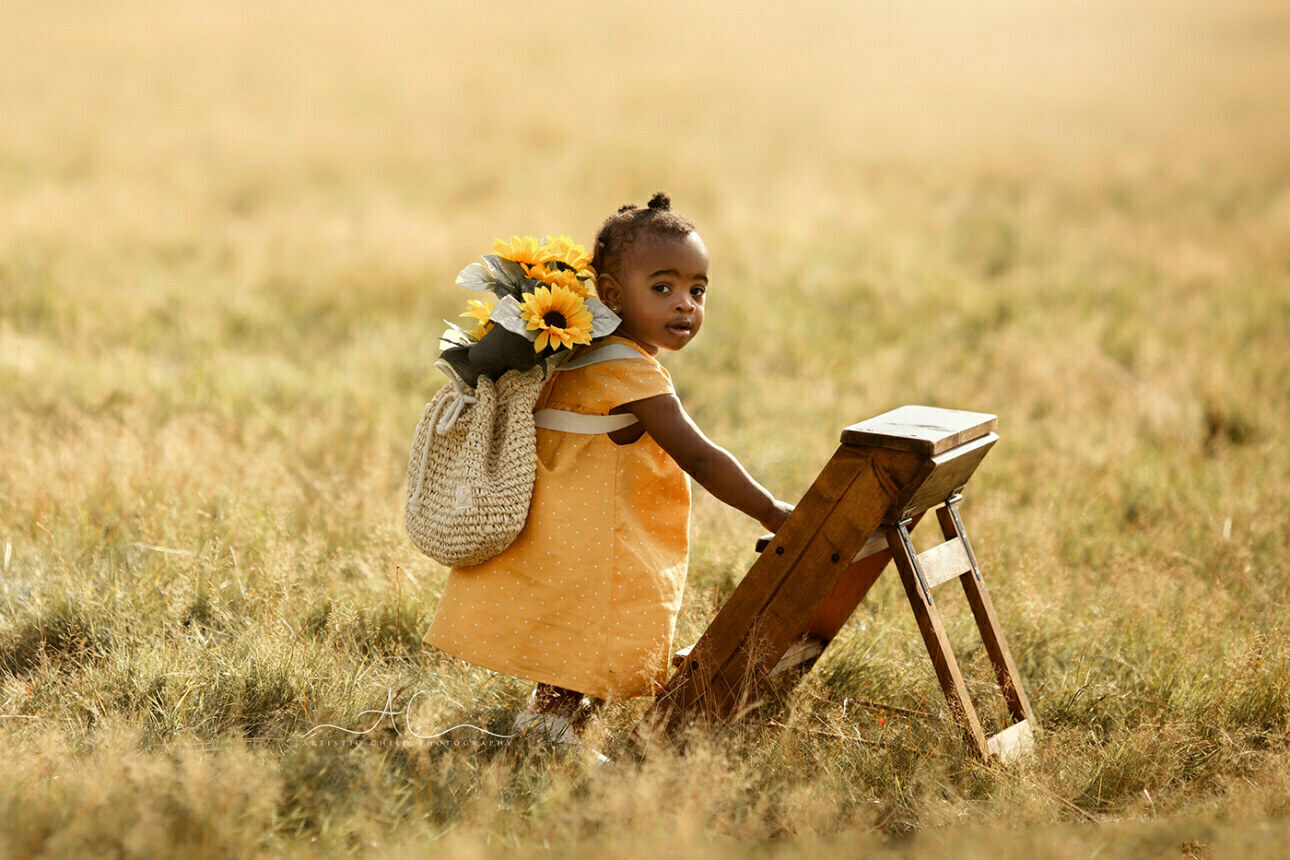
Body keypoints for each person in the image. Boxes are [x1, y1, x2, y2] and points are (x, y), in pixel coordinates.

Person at [423, 192, 794, 752]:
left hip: (561, 523)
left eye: (698, 291)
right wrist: (770, 510)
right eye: (663, 288)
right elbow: (699, 456)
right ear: (612, 294)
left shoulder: (572, 352)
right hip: (598, 534)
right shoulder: (631, 372)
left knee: (578, 630)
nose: (685, 305)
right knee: (594, 623)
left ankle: (556, 717)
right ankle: (550, 728)